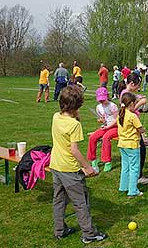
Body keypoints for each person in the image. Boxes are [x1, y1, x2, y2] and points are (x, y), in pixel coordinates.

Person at [49, 86, 107, 244]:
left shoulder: (56, 116)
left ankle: (59, 230)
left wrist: (75, 114)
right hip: (70, 169)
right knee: (81, 202)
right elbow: (74, 150)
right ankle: (89, 234)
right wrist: (87, 167)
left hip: (56, 166)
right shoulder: (74, 125)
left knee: (59, 199)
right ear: (77, 106)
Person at [118, 73, 148, 185]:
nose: (138, 88)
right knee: (140, 151)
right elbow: (130, 110)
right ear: (132, 84)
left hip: (130, 128)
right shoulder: (126, 94)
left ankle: (128, 181)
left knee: (133, 156)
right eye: (137, 86)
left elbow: (142, 98)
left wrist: (141, 99)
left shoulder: (128, 93)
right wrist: (139, 104)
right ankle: (138, 176)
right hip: (132, 128)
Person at [117, 92, 146, 197]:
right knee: (134, 168)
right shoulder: (132, 116)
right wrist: (143, 130)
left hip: (122, 144)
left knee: (125, 166)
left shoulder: (120, 114)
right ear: (132, 103)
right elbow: (140, 129)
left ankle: (123, 186)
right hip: (132, 145)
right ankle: (133, 190)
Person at [87, 87, 118, 172]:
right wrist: (102, 121)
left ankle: (107, 161)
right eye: (100, 100)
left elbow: (117, 121)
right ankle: (93, 159)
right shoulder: (98, 107)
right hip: (106, 126)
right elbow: (103, 119)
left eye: (103, 100)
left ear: (107, 96)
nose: (101, 101)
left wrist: (108, 126)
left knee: (106, 137)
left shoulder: (113, 106)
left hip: (115, 127)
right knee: (92, 137)